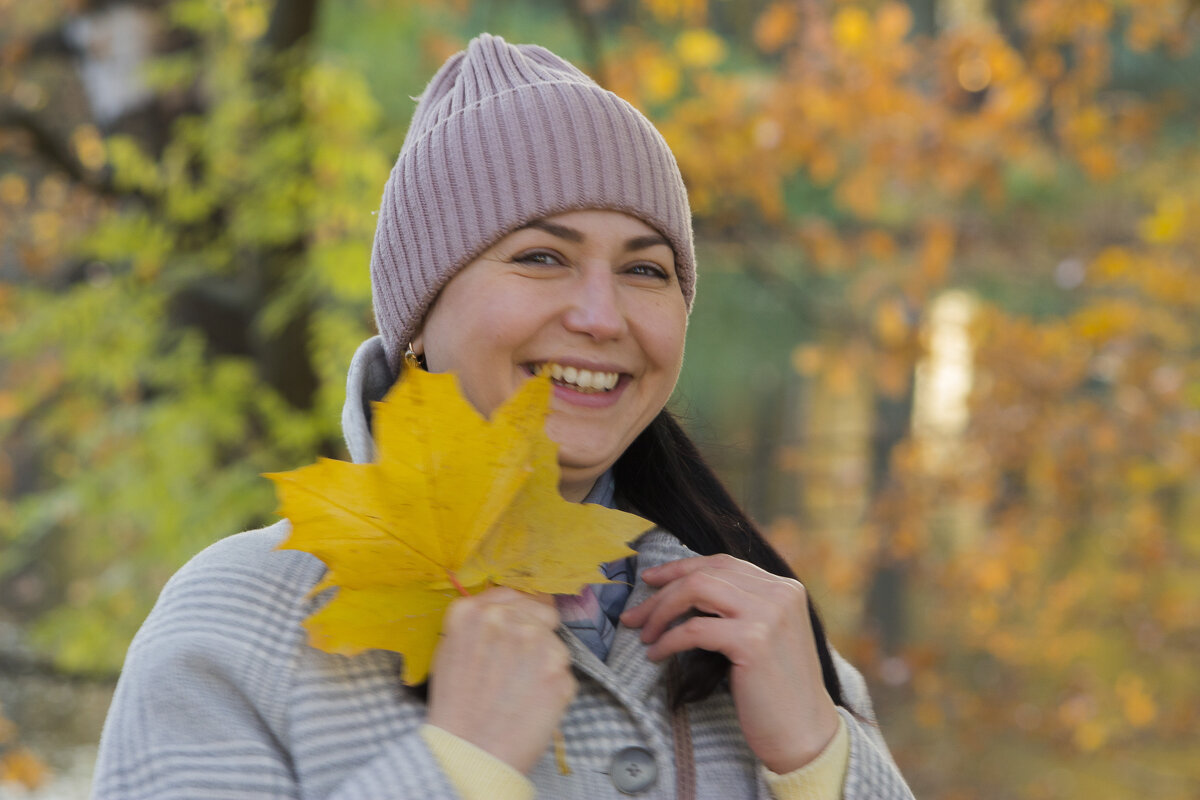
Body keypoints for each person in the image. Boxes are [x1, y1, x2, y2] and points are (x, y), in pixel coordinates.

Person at [92, 34, 914, 800]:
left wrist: (819, 761)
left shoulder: (755, 630)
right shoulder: (241, 627)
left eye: (646, 269)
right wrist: (459, 767)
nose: (602, 315)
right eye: (541, 257)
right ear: (419, 320)